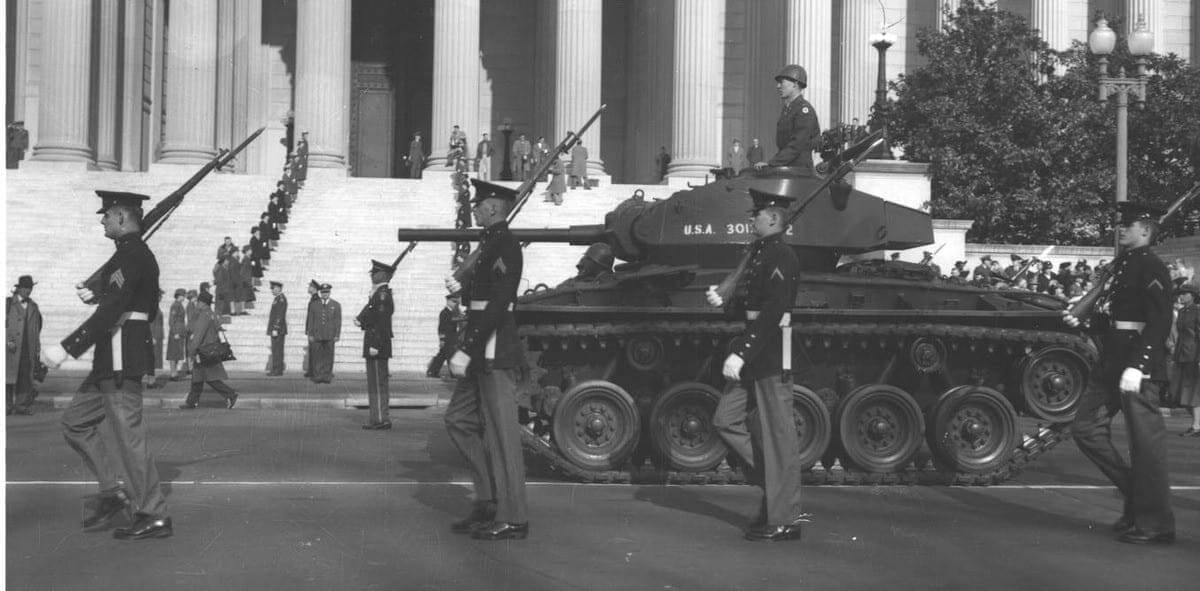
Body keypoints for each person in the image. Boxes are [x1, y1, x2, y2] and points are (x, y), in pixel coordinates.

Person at [40, 190, 172, 540]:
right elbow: (117, 300)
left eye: (107, 215)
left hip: (121, 358)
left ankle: (153, 513)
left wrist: (66, 348)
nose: (102, 220)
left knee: (129, 438)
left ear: (122, 218)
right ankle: (113, 490)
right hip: (109, 358)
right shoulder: (126, 256)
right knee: (76, 422)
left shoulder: (134, 256)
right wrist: (98, 293)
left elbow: (115, 311)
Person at [1063, 201, 1175, 545]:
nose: (1120, 229)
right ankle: (1137, 499)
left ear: (1146, 230)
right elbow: (1117, 316)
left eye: (1127, 225)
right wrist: (1084, 318)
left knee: (1145, 447)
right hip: (1113, 361)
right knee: (1085, 429)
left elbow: (1159, 320)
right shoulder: (1125, 264)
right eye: (1120, 225)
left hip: (1136, 367)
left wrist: (1138, 365)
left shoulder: (1152, 266)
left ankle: (1155, 523)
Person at [706, 187, 805, 542]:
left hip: (771, 351)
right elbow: (753, 303)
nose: (752, 219)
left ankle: (785, 519)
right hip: (755, 350)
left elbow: (774, 310)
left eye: (757, 214)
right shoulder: (762, 253)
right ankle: (774, 484)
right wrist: (725, 301)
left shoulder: (781, 255)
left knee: (779, 438)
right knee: (725, 419)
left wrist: (742, 352)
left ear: (774, 218)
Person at [443, 179, 529, 541]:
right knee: (458, 420)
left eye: (479, 203)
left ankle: (514, 516)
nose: (474, 208)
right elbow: (482, 296)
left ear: (494, 207)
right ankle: (490, 499)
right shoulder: (490, 242)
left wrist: (467, 349)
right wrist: (461, 289)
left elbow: (498, 304)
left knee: (502, 434)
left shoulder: (506, 245)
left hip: (492, 349)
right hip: (481, 347)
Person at [755, 65, 819, 173]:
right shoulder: (789, 109)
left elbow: (797, 145)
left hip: (799, 173)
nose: (778, 86)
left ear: (795, 84)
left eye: (782, 82)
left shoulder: (804, 111)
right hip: (788, 170)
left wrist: (772, 163)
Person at [179, 292, 238, 409]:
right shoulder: (211, 313)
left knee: (210, 378)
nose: (196, 304)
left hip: (203, 351)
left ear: (202, 302)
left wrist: (192, 351)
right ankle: (191, 402)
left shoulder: (203, 316)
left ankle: (230, 394)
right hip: (210, 349)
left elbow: (198, 335)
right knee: (197, 377)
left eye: (198, 302)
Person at [356, 260, 396, 430]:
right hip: (375, 342)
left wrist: (376, 344)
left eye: (374, 273)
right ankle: (379, 417)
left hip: (377, 345)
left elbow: (382, 323)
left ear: (381, 275)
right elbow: (373, 318)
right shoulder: (379, 293)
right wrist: (362, 321)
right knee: (376, 383)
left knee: (377, 384)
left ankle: (380, 419)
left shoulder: (381, 296)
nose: (372, 275)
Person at [6, 275, 43, 415]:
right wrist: (7, 341)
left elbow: (38, 327)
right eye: (25, 288)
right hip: (10, 348)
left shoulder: (34, 306)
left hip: (28, 347)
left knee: (25, 377)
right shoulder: (7, 304)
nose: (28, 291)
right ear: (19, 288)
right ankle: (6, 406)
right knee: (7, 377)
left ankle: (21, 406)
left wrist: (37, 347)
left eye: (30, 288)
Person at [1170, 283, 1200, 436]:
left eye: (1185, 293)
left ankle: (1196, 426)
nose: (1181, 296)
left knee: (1192, 391)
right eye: (1180, 294)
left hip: (1194, 355)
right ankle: (1197, 424)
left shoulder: (1197, 311)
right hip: (1182, 354)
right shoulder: (1181, 312)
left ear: (1193, 296)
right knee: (1182, 391)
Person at [306, 283, 341, 384]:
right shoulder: (314, 304)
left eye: (327, 292)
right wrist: (310, 334)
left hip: (330, 335)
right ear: (320, 293)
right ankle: (318, 376)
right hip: (317, 335)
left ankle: (326, 376)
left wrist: (337, 335)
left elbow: (338, 321)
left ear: (329, 292)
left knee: (328, 356)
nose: (325, 294)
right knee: (317, 356)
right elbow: (311, 320)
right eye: (323, 292)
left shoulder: (336, 305)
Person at [427, 295, 462, 378]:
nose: (455, 304)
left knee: (442, 356)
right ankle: (453, 374)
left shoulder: (451, 312)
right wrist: (442, 339)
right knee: (450, 355)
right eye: (453, 302)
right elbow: (441, 327)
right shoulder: (444, 312)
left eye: (456, 302)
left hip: (451, 338)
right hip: (447, 338)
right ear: (448, 301)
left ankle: (432, 372)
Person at [165, 289, 187, 381]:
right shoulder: (175, 305)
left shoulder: (179, 305)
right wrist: (175, 333)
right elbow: (171, 320)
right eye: (183, 295)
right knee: (173, 354)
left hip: (180, 331)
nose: (184, 297)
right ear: (179, 295)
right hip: (176, 332)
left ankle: (175, 373)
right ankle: (173, 374)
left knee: (177, 353)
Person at [267, 281, 287, 376]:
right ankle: (276, 369)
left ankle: (277, 370)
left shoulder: (281, 299)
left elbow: (280, 315)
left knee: (277, 350)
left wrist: (276, 328)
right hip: (276, 329)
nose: (272, 290)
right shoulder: (277, 299)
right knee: (275, 350)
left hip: (278, 329)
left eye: (273, 288)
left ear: (278, 288)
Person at [302, 279, 320, 378]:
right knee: (312, 350)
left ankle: (314, 371)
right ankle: (312, 370)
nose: (308, 288)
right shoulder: (313, 299)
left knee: (315, 351)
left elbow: (316, 317)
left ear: (314, 288)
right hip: (311, 329)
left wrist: (312, 331)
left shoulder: (316, 300)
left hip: (314, 330)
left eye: (310, 286)